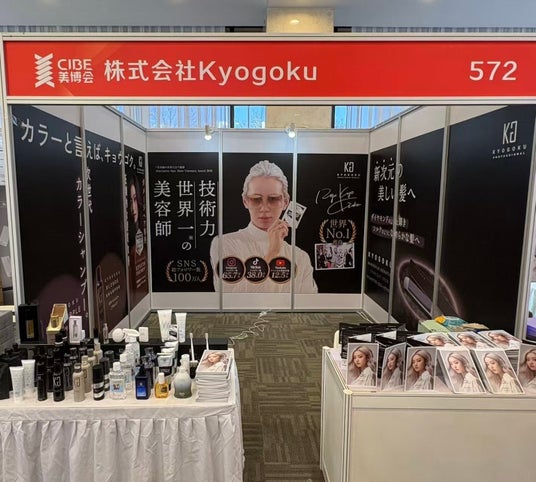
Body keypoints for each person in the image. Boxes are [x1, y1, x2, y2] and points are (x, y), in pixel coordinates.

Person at [210, 160, 317, 293]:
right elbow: (230, 298)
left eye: (273, 199)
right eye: (256, 199)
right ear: (245, 201)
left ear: (285, 202)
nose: (264, 208)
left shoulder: (300, 257)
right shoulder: (225, 243)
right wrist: (272, 253)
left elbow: (308, 302)